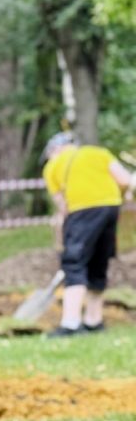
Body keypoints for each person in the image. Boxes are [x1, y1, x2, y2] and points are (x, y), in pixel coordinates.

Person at [40, 132, 134, 336]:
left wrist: (61, 233)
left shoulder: (53, 166)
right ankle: (94, 320)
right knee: (98, 263)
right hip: (110, 209)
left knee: (74, 263)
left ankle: (71, 323)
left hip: (81, 211)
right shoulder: (98, 153)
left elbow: (62, 205)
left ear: (54, 150)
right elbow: (125, 180)